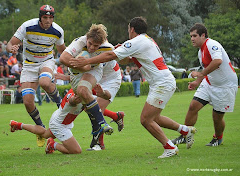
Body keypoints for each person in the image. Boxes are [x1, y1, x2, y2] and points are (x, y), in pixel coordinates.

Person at [70, 16, 197, 158]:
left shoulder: (136, 41)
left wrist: (86, 61)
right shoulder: (147, 39)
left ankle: (169, 147)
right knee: (155, 118)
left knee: (146, 120)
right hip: (163, 81)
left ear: (131, 29)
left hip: (162, 83)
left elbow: (110, 55)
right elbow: (125, 60)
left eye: (128, 30)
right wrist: (119, 51)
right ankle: (186, 130)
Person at [6, 4, 66, 147]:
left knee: (45, 82)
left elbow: (62, 50)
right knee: (27, 102)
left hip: (47, 61)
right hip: (29, 65)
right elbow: (10, 44)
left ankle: (62, 105)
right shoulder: (27, 26)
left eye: (50, 17)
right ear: (40, 17)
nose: (48, 20)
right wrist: (11, 49)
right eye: (45, 17)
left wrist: (73, 61)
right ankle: (40, 128)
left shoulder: (58, 31)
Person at [171, 23, 238, 147]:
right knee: (193, 106)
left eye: (195, 36)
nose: (192, 39)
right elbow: (207, 71)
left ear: (203, 35)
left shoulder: (212, 44)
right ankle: (185, 136)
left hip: (225, 86)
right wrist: (197, 81)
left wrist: (200, 73)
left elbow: (218, 61)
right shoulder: (200, 52)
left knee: (217, 117)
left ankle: (218, 138)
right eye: (191, 36)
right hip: (209, 83)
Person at [59, 24, 114, 141]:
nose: (92, 47)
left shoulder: (107, 47)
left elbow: (119, 57)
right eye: (90, 43)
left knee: (83, 90)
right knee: (85, 101)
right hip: (75, 74)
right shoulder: (80, 42)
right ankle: (100, 128)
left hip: (94, 70)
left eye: (96, 46)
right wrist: (83, 67)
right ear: (87, 39)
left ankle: (102, 123)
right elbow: (63, 58)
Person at [10, 89, 83, 154]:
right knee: (76, 151)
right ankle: (53, 145)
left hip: (60, 119)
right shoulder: (76, 94)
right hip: (60, 123)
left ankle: (18, 125)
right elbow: (71, 100)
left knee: (44, 134)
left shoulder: (84, 90)